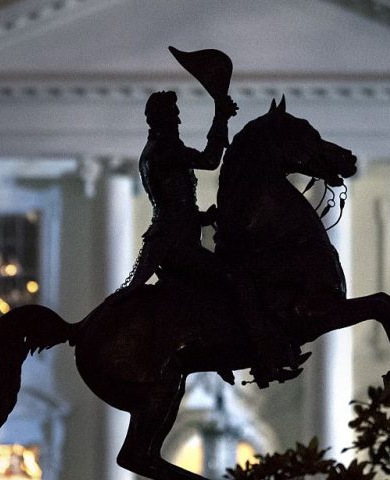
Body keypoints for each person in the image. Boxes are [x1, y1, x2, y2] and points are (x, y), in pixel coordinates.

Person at [109, 90, 303, 388]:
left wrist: (203, 217)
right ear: (160, 118)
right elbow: (211, 159)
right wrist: (221, 115)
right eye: (172, 115)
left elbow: (173, 205)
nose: (177, 119)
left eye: (176, 114)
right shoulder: (164, 149)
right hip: (175, 246)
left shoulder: (159, 148)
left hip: (175, 238)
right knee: (237, 278)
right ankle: (266, 359)